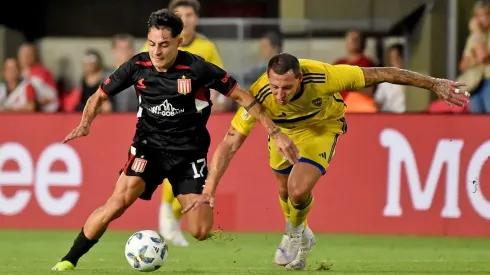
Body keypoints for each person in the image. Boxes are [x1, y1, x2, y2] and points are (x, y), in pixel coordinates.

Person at [51, 9, 298, 271]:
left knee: (200, 231)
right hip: (148, 149)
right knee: (116, 204)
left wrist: (273, 131)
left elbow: (244, 97)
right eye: (152, 44)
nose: (156, 52)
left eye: (164, 45)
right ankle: (68, 259)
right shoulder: (137, 66)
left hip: (188, 155)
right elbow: (98, 95)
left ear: (179, 42)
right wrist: (85, 124)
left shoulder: (197, 68)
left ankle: (180, 210)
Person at [183, 53, 469, 270]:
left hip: (320, 129)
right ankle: (303, 233)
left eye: (286, 88)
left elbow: (384, 73)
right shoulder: (260, 95)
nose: (279, 95)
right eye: (275, 87)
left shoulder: (326, 76)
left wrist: (433, 83)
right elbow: (229, 142)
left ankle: (294, 233)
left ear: (301, 79)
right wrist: (209, 189)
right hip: (282, 133)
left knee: (297, 189)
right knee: (283, 191)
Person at [142, 0, 229, 246]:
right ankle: (167, 215)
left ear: (196, 19)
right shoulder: (155, 42)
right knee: (174, 165)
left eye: (189, 14)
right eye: (179, 14)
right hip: (160, 118)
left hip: (192, 119)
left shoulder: (206, 47)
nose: (185, 19)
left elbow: (218, 77)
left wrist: (220, 100)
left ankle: (171, 216)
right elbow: (141, 71)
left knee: (187, 169)